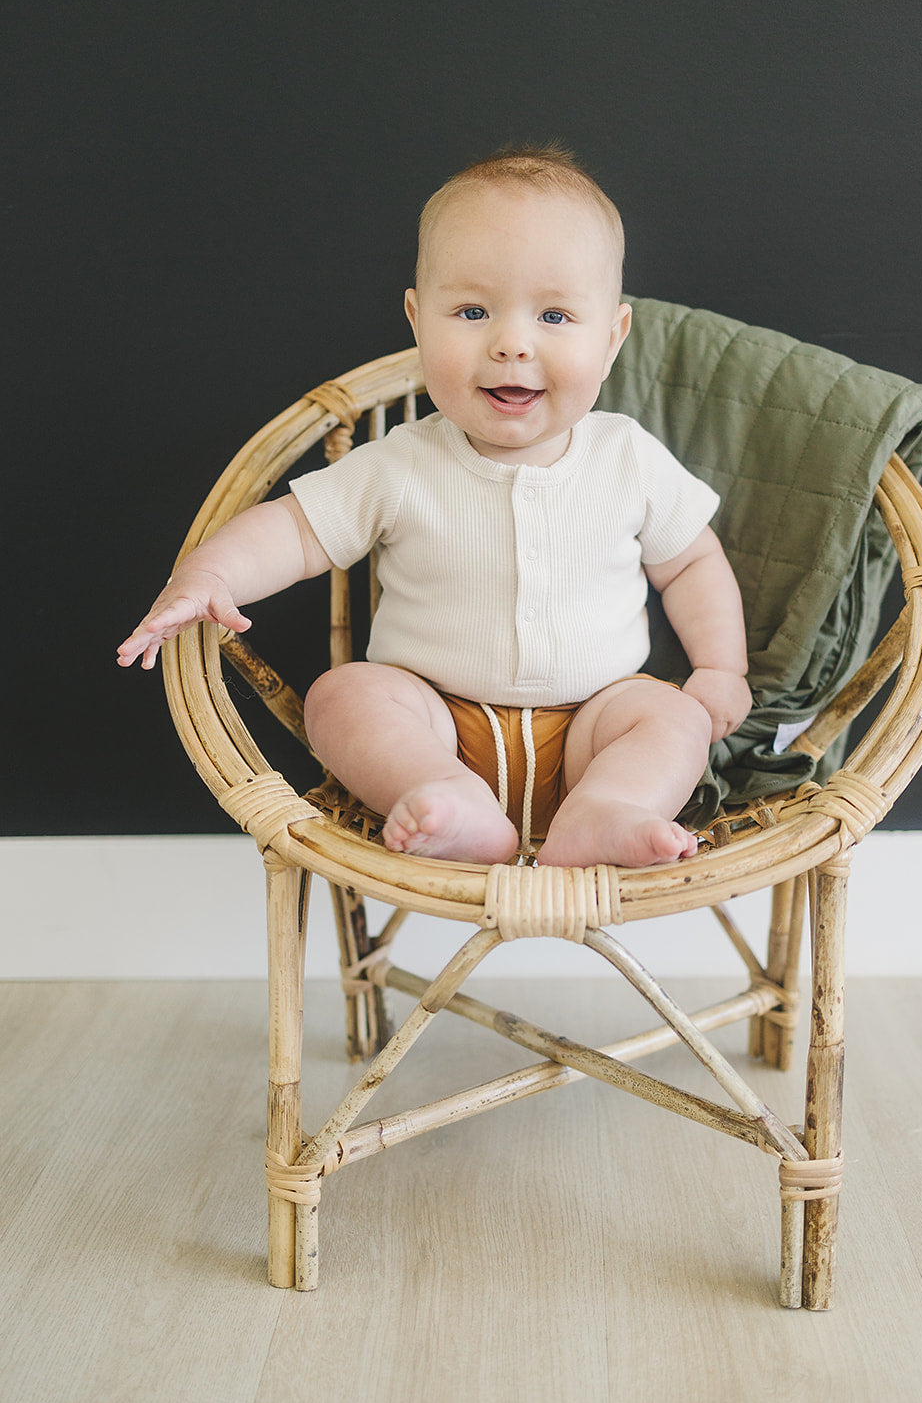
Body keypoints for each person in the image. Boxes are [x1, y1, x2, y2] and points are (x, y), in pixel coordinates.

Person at [119, 146, 751, 869]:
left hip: (596, 725)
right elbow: (294, 531)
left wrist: (720, 667)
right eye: (473, 312)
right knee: (342, 697)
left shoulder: (627, 456)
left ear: (611, 338)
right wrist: (209, 577)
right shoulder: (399, 462)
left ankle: (607, 810)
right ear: (418, 322)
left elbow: (692, 562)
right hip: (434, 722)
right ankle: (445, 802)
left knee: (672, 716)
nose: (511, 345)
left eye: (554, 315)